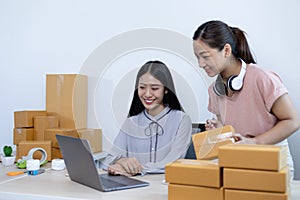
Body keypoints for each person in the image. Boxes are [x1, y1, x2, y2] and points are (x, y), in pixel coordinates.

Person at [192, 20, 300, 178]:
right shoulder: (214, 91)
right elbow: (233, 131)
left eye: (205, 56)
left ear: (226, 50)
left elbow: (292, 121)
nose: (201, 64)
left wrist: (255, 142)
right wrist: (219, 129)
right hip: (240, 163)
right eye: (197, 57)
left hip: (272, 164)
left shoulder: (261, 78)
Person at [101, 60, 192, 176]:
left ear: (166, 89)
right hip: (132, 188)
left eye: (154, 88)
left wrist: (137, 169)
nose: (147, 94)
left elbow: (173, 162)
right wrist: (121, 161)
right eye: (142, 87)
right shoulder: (130, 122)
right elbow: (108, 159)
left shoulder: (182, 120)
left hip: (165, 188)